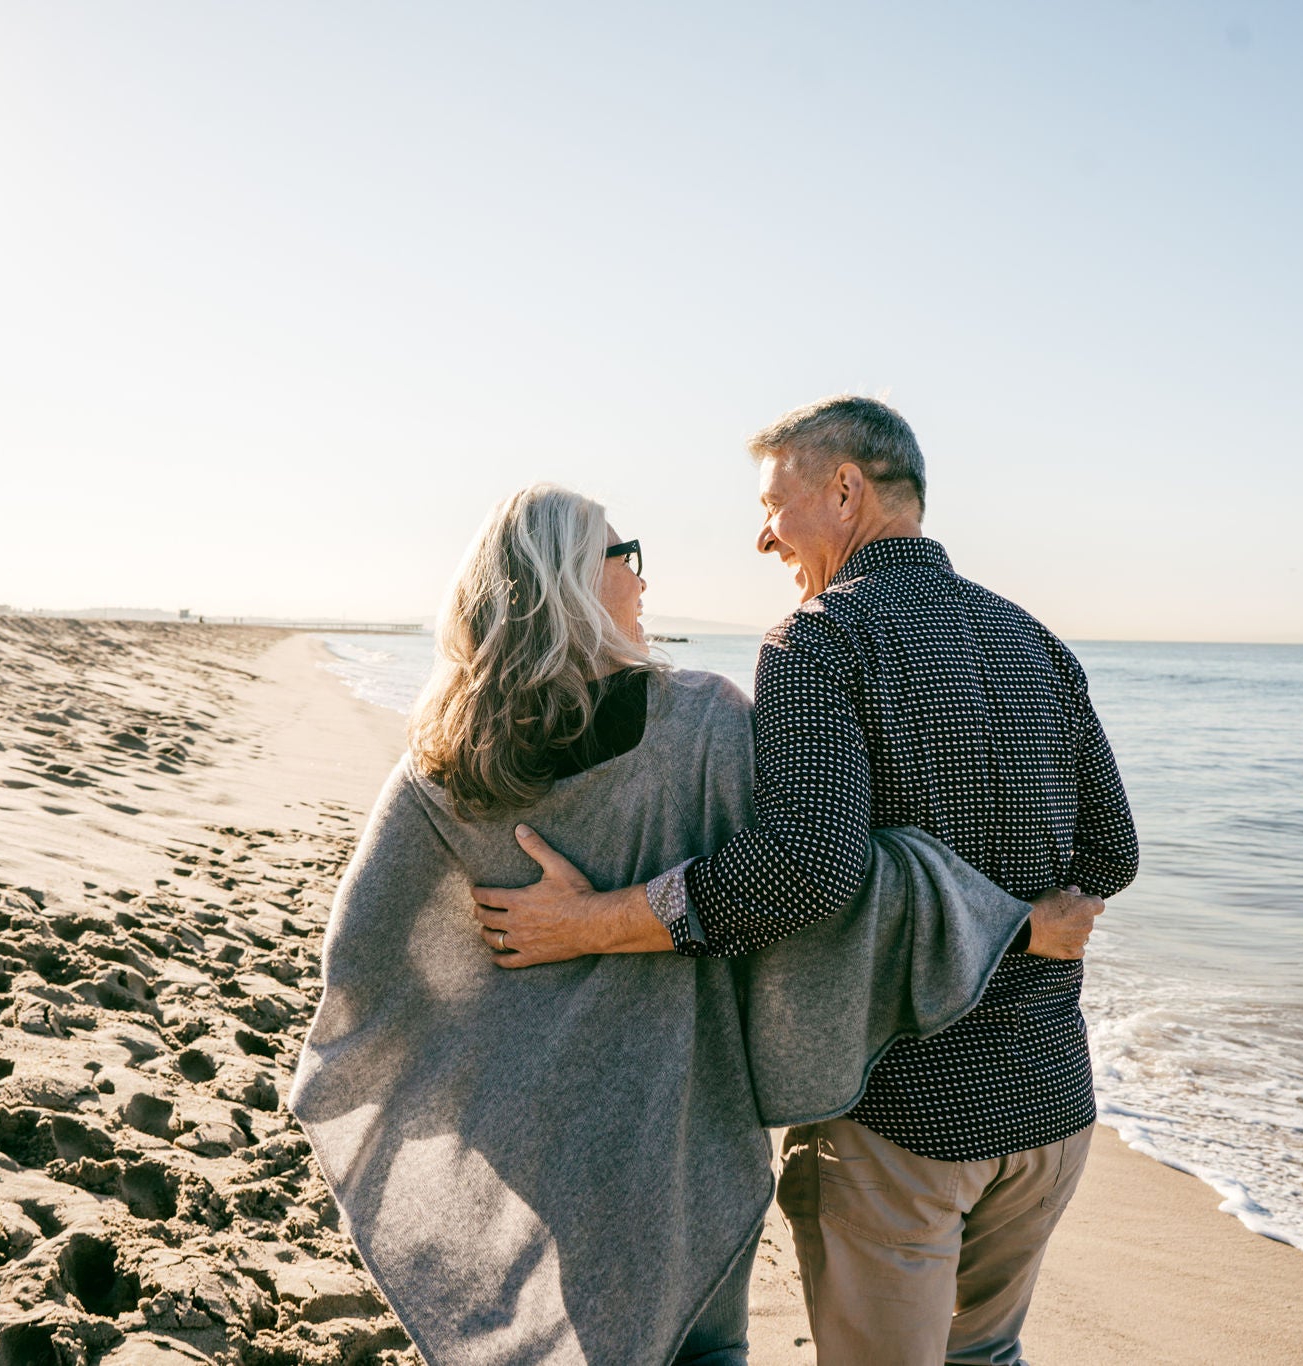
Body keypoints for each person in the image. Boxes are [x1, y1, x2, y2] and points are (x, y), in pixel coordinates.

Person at [290, 483, 1102, 1366]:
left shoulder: (446, 754)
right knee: (704, 1347)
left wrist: (469, 1059)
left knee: (585, 1334)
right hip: (687, 1117)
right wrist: (1015, 924)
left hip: (534, 1119)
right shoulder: (705, 725)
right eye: (623, 556)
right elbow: (830, 883)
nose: (640, 581)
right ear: (572, 581)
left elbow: (365, 962)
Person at [473, 398, 1139, 1366]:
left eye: (772, 505)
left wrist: (588, 923)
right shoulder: (1033, 639)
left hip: (899, 1106)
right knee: (986, 1358)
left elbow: (802, 869)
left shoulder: (821, 637)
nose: (759, 536)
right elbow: (1110, 856)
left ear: (843, 489)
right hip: (1049, 1101)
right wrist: (1017, 918)